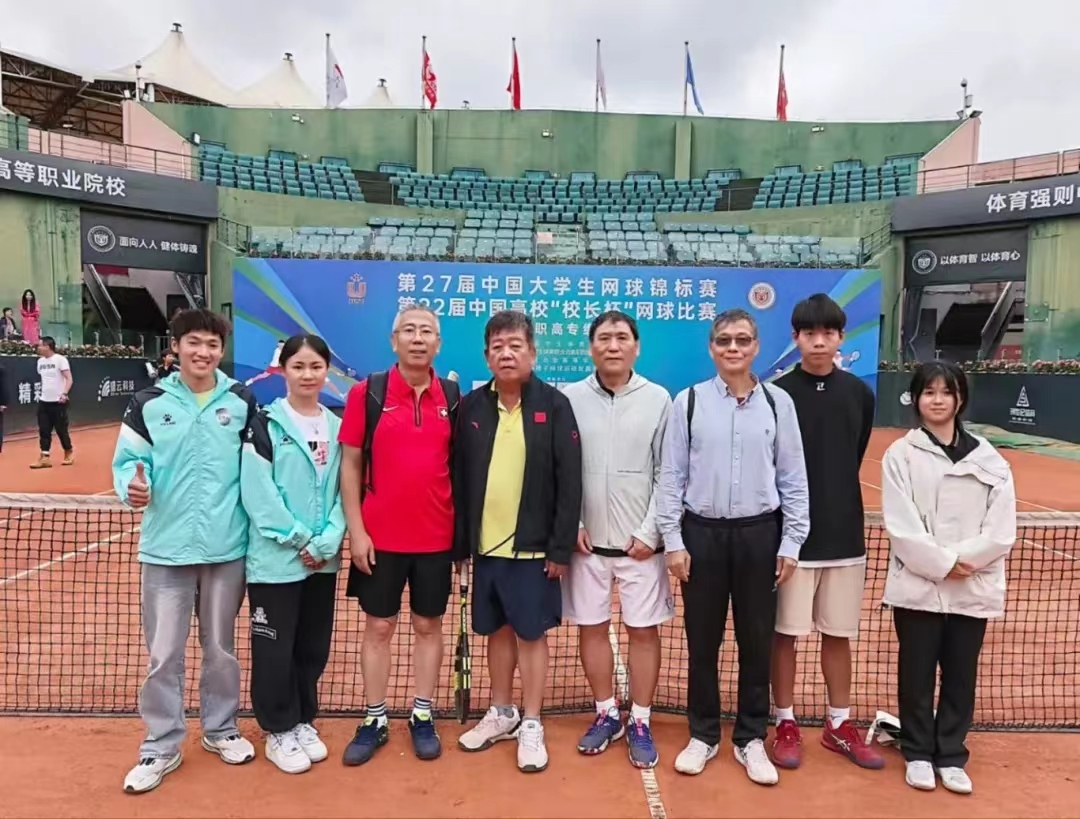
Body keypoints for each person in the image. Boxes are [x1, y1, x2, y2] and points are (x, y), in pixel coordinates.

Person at [656, 308, 809, 786]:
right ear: (712, 347)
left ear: (756, 347)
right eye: (724, 340)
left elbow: (793, 478)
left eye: (742, 340)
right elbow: (671, 477)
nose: (733, 348)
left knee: (756, 642)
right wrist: (674, 541)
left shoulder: (779, 404)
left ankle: (750, 738)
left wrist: (791, 542)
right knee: (702, 643)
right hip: (701, 535)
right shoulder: (688, 402)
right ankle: (702, 735)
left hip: (760, 535)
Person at [112, 308, 258, 794]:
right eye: (194, 342)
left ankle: (221, 728)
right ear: (175, 346)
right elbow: (129, 462)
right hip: (165, 550)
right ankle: (160, 744)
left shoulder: (241, 401)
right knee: (163, 654)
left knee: (221, 650)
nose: (204, 352)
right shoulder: (148, 402)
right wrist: (133, 486)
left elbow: (257, 468)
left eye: (213, 344)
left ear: (222, 350)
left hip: (226, 548)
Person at [454, 310, 582, 773]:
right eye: (497, 347)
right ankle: (502, 711)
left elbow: (570, 481)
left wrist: (560, 548)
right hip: (486, 549)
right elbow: (458, 477)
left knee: (530, 634)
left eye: (515, 346)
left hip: (533, 550)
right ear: (486, 355)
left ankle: (531, 720)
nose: (506, 354)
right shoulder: (471, 407)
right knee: (496, 631)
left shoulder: (554, 404)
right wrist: (461, 547)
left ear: (532, 352)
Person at [881, 361, 1016, 795]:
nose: (937, 400)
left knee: (960, 674)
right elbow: (900, 525)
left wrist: (964, 562)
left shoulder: (991, 459)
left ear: (960, 399)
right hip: (918, 587)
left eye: (946, 392)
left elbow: (1001, 529)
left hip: (971, 586)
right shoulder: (900, 455)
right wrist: (942, 563)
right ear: (916, 399)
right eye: (929, 392)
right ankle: (918, 753)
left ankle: (952, 755)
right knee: (916, 673)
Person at [338, 305, 459, 766]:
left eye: (427, 331)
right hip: (380, 538)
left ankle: (422, 714)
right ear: (394, 341)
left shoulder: (452, 396)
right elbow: (351, 465)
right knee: (379, 627)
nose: (417, 338)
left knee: (428, 626)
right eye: (409, 330)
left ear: (438, 344)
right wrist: (357, 531)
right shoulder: (367, 393)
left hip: (436, 538)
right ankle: (374, 718)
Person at [770, 294, 882, 770]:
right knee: (785, 635)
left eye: (828, 333)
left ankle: (839, 723)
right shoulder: (776, 395)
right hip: (791, 542)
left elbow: (853, 453)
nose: (819, 341)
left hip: (844, 539)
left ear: (840, 337)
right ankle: (785, 721)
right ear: (795, 338)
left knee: (838, 635)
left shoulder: (859, 393)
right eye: (810, 333)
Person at [562, 311, 673, 769]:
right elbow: (560, 469)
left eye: (622, 337)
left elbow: (668, 472)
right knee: (591, 628)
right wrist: (571, 524)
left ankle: (641, 719)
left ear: (636, 346)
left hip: (641, 548)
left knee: (643, 632)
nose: (613, 345)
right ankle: (606, 712)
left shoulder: (659, 399)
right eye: (604, 338)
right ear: (591, 347)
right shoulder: (570, 398)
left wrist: (650, 532)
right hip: (585, 548)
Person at [242, 334, 345, 775]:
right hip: (275, 561)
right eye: (298, 366)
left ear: (326, 372)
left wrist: (327, 541)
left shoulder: (338, 427)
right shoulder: (264, 424)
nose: (307, 375)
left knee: (312, 646)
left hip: (323, 560)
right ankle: (278, 729)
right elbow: (258, 493)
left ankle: (303, 718)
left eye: (315, 367)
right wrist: (301, 539)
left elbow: (346, 490)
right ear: (283, 370)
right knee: (275, 649)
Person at [30, 337, 74, 469]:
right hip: (44, 401)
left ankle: (68, 452)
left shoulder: (60, 360)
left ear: (48, 346)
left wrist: (64, 393)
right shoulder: (40, 362)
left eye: (40, 345)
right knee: (44, 430)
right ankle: (45, 457)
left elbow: (69, 379)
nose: (38, 348)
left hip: (58, 402)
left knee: (61, 430)